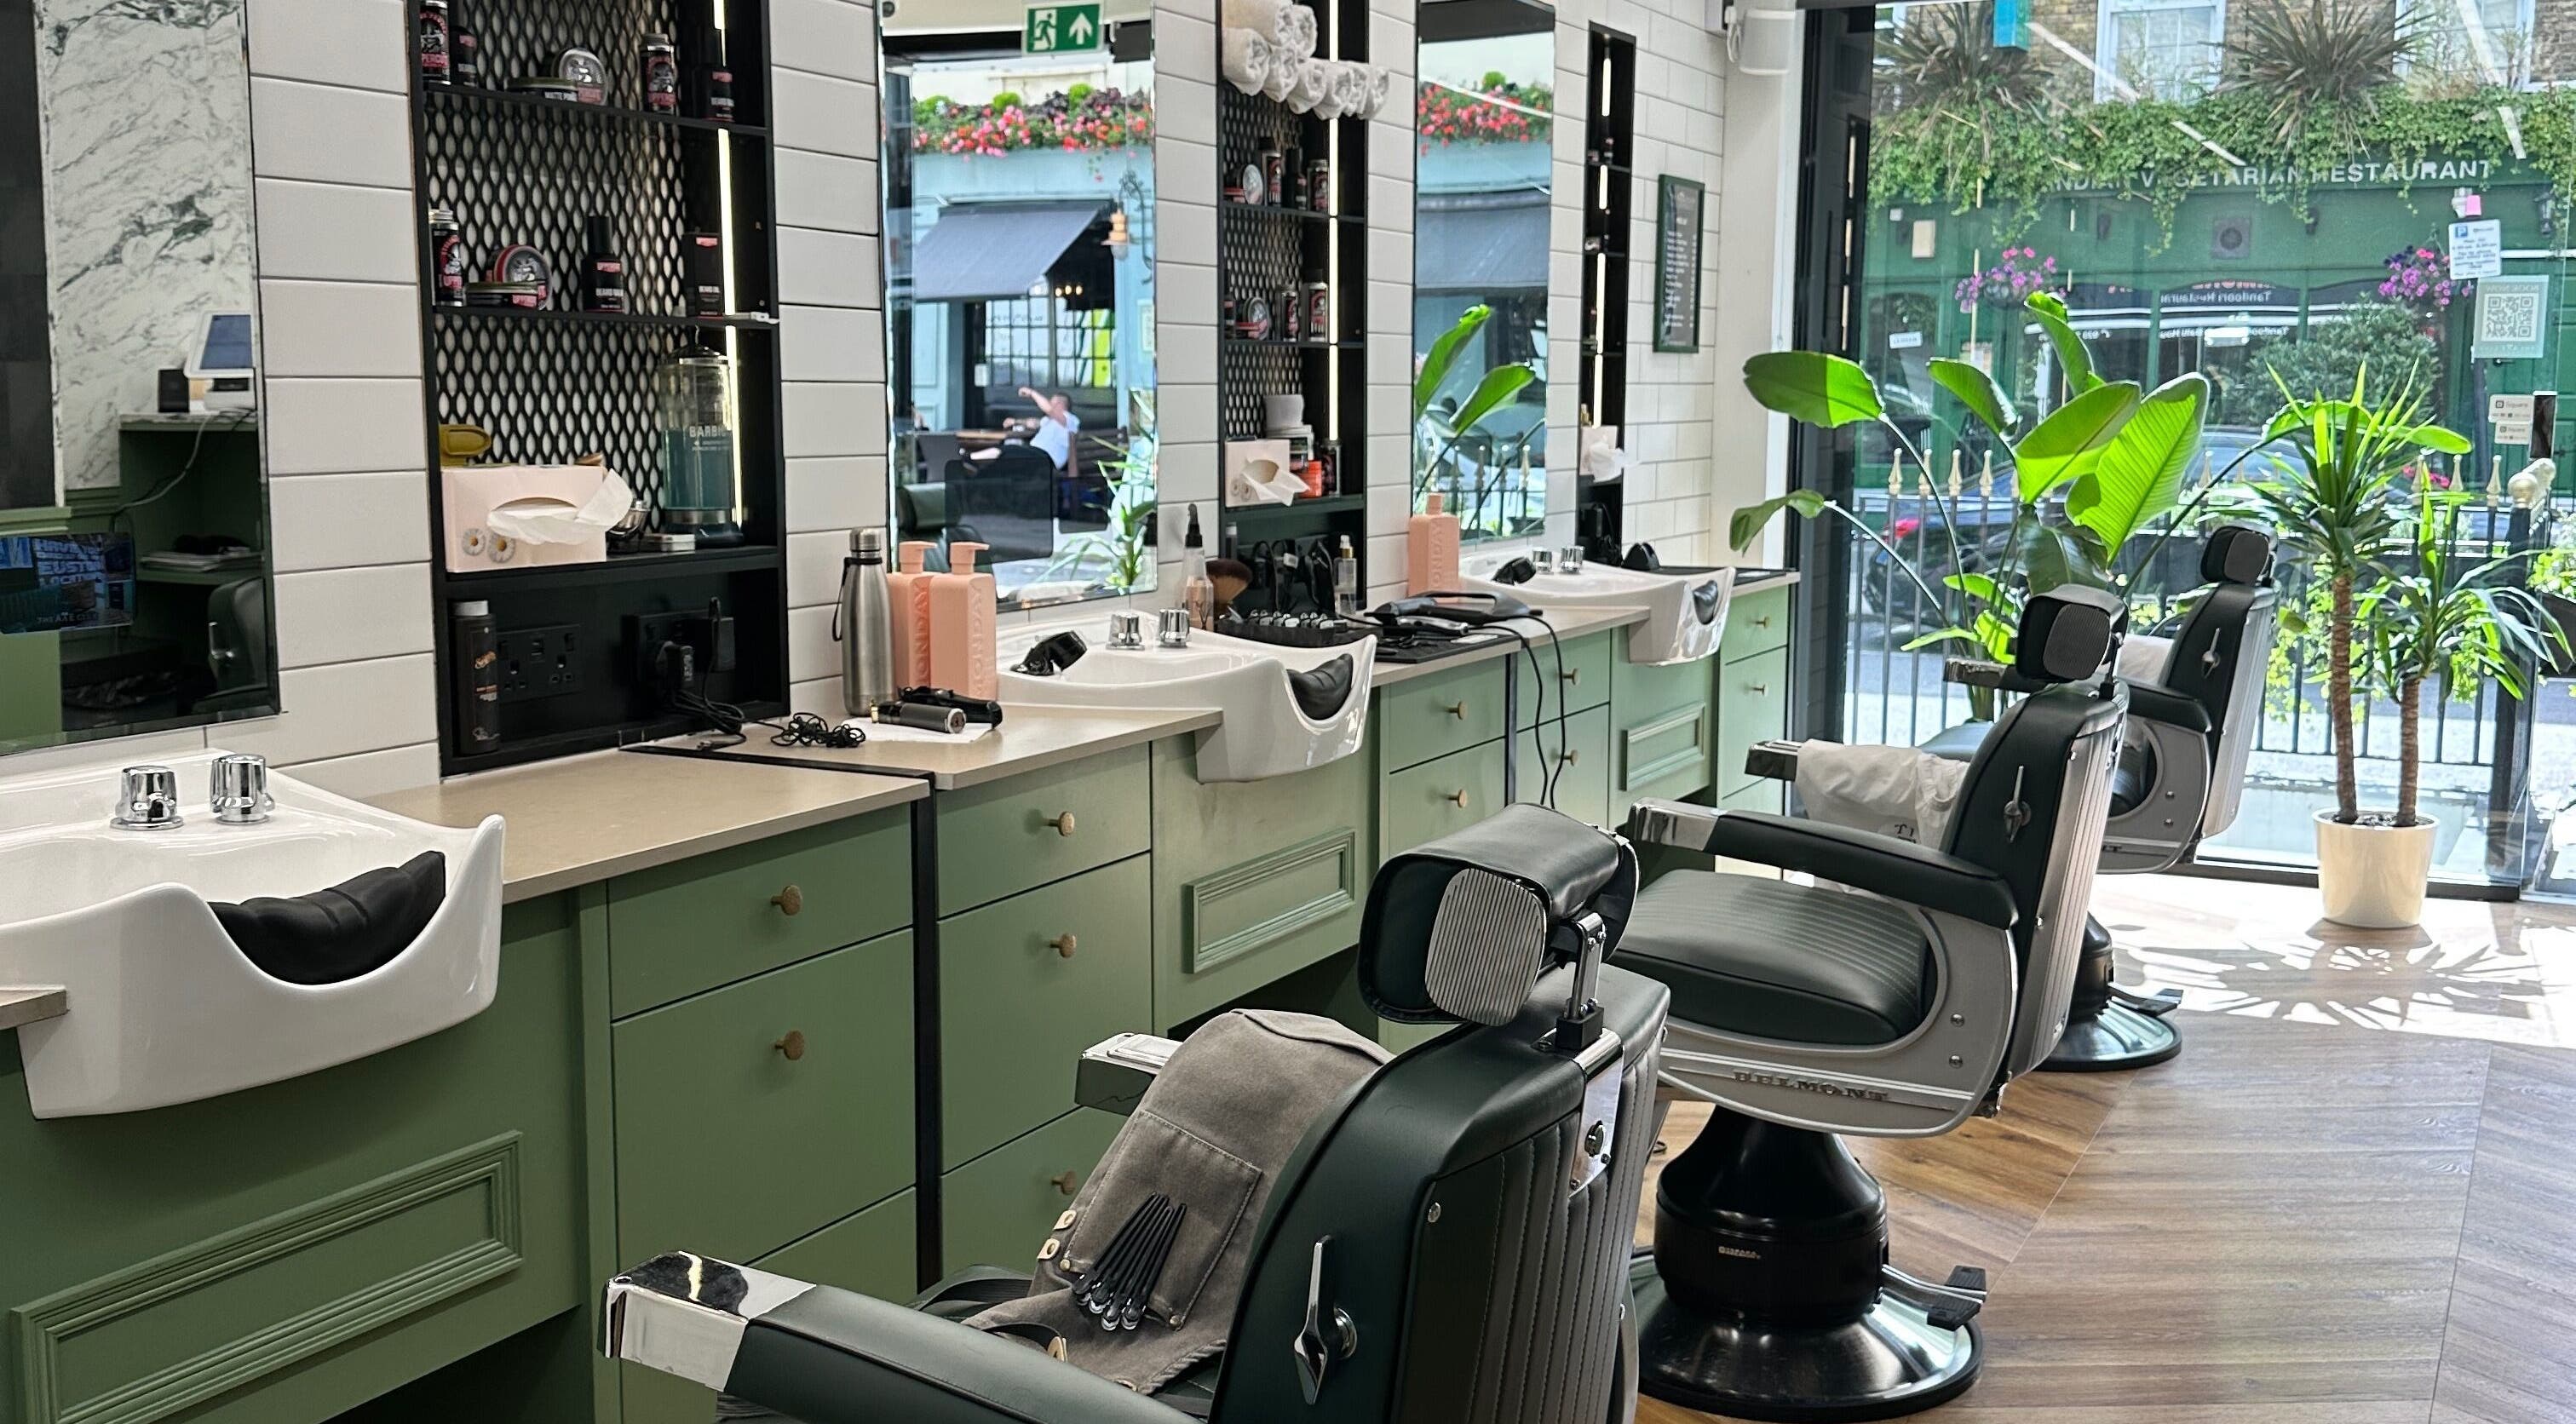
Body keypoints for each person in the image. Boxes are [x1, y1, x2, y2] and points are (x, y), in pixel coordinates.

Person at [1013, 385, 1081, 474]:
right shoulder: (1048, 420)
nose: (1049, 403)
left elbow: (1049, 409)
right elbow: (1033, 423)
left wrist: (1031, 393)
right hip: (1033, 454)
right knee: (1003, 452)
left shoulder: (1070, 420)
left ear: (1060, 404)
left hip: (1046, 459)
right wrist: (1015, 421)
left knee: (1008, 458)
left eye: (1051, 402)